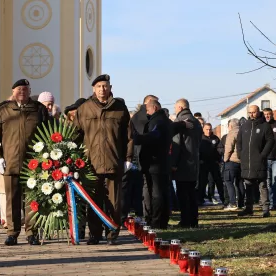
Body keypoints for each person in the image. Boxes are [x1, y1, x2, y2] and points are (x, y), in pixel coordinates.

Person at [73, 74, 133, 245]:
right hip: (91, 164)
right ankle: (95, 234)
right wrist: (72, 159)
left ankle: (112, 233)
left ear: (110, 88)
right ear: (94, 89)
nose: (102, 89)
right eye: (99, 86)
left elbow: (129, 136)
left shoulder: (120, 108)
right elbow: (75, 135)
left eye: (105, 86)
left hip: (114, 162)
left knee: (114, 202)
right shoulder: (84, 109)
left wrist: (128, 158)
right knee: (93, 201)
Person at [0, 79, 49, 246]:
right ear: (13, 91)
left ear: (30, 91)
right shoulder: (3, 110)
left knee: (32, 200)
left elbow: (48, 134)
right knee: (12, 199)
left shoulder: (39, 110)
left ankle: (32, 233)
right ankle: (12, 232)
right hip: (10, 162)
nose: (22, 92)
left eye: (25, 89)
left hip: (34, 164)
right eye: (18, 89)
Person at [133, 100, 171, 229]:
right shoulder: (164, 119)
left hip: (155, 163)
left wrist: (136, 138)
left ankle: (157, 221)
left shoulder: (157, 121)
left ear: (154, 108)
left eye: (148, 110)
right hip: (162, 162)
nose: (147, 113)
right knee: (161, 192)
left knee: (156, 194)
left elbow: (153, 136)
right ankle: (162, 220)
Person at [237, 105, 274, 217]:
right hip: (246, 161)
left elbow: (270, 141)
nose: (251, 114)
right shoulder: (244, 126)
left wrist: (263, 155)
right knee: (248, 185)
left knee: (262, 185)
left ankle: (266, 209)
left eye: (253, 112)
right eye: (250, 112)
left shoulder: (265, 126)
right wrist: (240, 154)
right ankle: (248, 208)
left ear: (258, 112)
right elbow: (239, 142)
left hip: (259, 161)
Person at [171, 98, 202, 228]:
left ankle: (185, 220)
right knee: (192, 193)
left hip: (182, 162)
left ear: (180, 108)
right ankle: (194, 220)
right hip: (194, 161)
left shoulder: (180, 122)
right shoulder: (197, 122)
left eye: (175, 108)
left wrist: (173, 163)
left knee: (182, 194)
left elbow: (177, 144)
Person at [199, 123, 225, 205]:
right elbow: (196, 150)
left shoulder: (215, 138)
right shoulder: (200, 138)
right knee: (202, 182)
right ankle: (200, 199)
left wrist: (218, 157)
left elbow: (220, 148)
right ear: (203, 129)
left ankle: (224, 199)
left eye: (210, 129)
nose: (208, 131)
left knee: (218, 181)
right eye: (207, 129)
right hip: (203, 163)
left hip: (214, 163)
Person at [223, 118, 241, 211]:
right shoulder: (243, 131)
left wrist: (225, 159)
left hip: (232, 161)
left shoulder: (231, 133)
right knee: (240, 182)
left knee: (229, 182)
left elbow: (228, 148)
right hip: (242, 161)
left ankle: (233, 203)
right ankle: (241, 203)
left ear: (230, 126)